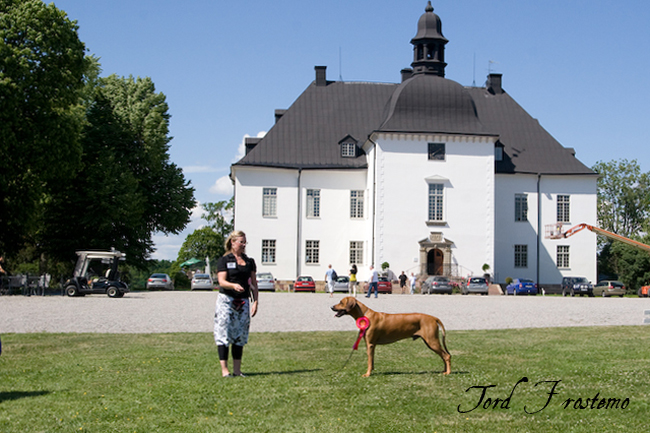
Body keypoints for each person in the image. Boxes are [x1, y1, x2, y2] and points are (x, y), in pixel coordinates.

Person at [215, 230, 259, 378]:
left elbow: (253, 283)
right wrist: (233, 286)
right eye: (241, 241)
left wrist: (255, 302)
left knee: (240, 335)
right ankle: (225, 370)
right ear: (232, 243)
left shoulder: (249, 261)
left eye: (245, 241)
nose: (243, 244)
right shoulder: (224, 260)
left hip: (243, 301)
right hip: (226, 300)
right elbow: (221, 281)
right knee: (224, 333)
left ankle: (237, 370)